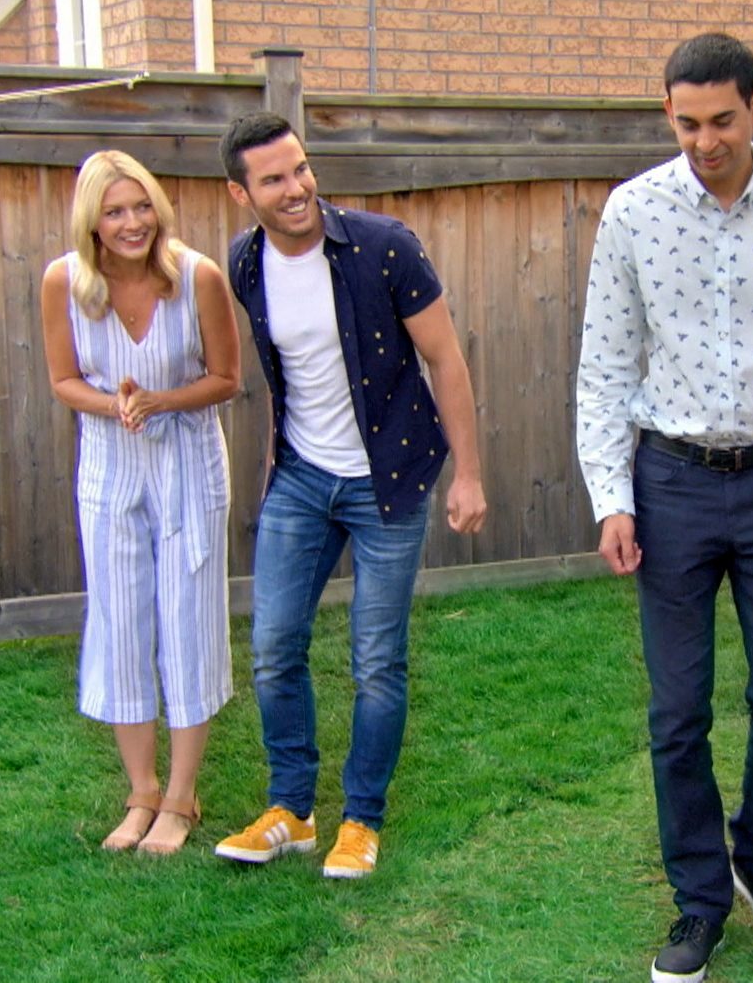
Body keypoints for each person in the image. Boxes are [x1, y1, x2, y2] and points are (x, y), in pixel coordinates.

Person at [575, 33, 753, 983]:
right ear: (669, 114)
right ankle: (699, 898)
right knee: (677, 710)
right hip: (670, 483)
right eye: (687, 122)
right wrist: (612, 495)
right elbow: (606, 367)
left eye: (722, 120)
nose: (704, 140)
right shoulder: (633, 212)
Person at [212, 112, 487, 880]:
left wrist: (467, 473)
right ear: (243, 193)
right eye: (274, 178)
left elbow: (446, 359)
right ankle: (293, 811)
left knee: (376, 660)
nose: (297, 187)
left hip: (389, 480)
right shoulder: (245, 263)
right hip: (301, 479)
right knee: (273, 649)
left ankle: (361, 818)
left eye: (300, 168)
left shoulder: (383, 247)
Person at [41, 150, 241, 855]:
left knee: (189, 621)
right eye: (115, 211)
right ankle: (142, 792)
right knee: (121, 622)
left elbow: (225, 378)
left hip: (188, 464)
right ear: (91, 221)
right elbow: (64, 380)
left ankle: (182, 799)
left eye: (142, 206)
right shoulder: (64, 282)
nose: (132, 223)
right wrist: (113, 405)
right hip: (108, 466)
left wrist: (160, 401)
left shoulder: (197, 278)